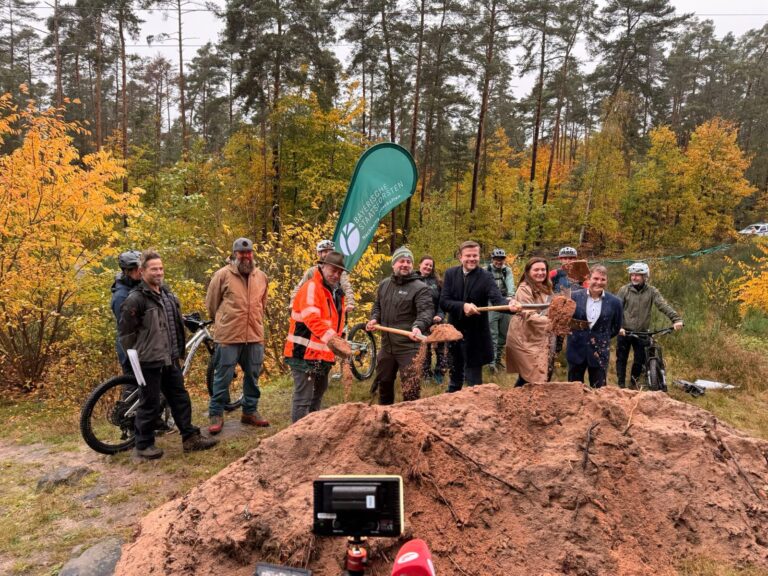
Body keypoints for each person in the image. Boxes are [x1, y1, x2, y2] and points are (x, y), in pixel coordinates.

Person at [118, 250, 218, 460]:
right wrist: (138, 357)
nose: (159, 272)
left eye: (161, 268)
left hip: (170, 358)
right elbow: (126, 334)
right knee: (150, 403)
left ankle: (190, 438)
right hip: (149, 360)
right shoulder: (136, 299)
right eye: (154, 269)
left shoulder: (167, 294)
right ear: (142, 271)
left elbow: (173, 322)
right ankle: (143, 445)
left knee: (180, 398)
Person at [205, 237, 270, 434]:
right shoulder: (222, 275)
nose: (246, 256)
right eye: (242, 253)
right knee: (222, 378)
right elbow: (211, 305)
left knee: (253, 376)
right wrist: (224, 322)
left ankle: (249, 411)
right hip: (228, 336)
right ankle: (216, 414)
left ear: (252, 254)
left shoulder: (261, 276)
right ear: (235, 254)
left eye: (248, 252)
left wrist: (255, 322)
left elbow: (262, 304)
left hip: (254, 335)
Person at [439, 241, 520, 392]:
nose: (472, 259)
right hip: (454, 333)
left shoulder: (486, 277)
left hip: (476, 335)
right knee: (455, 379)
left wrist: (510, 306)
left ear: (479, 256)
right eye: (468, 255)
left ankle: (476, 404)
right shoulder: (450, 274)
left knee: (474, 383)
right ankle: (452, 402)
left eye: (475, 255)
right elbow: (444, 302)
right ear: (460, 257)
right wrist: (463, 306)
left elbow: (497, 300)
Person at [285, 251, 350, 422]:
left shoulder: (337, 293)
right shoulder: (312, 287)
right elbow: (311, 318)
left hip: (322, 353)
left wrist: (340, 339)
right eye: (333, 270)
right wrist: (334, 340)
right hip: (303, 352)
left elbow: (335, 323)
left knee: (319, 392)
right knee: (303, 398)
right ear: (322, 266)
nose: (336, 275)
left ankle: (313, 428)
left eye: (339, 272)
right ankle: (298, 434)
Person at [366, 247, 433, 404]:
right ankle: (385, 414)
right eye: (401, 261)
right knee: (384, 384)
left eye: (408, 262)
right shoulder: (384, 284)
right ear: (393, 264)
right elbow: (377, 306)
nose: (405, 264)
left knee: (411, 389)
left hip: (409, 347)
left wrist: (418, 326)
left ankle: (410, 416)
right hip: (387, 347)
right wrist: (374, 318)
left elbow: (426, 312)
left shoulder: (420, 287)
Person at [616, 262, 683, 389]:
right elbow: (616, 309)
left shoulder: (652, 291)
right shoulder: (624, 290)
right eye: (632, 275)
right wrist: (618, 326)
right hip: (624, 331)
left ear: (645, 276)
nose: (634, 277)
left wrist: (676, 319)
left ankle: (633, 384)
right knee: (621, 359)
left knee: (639, 360)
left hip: (642, 332)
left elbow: (663, 305)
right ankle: (620, 385)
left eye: (638, 275)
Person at [566, 265, 623, 388]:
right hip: (576, 350)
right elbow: (565, 320)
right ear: (588, 279)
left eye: (603, 279)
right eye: (596, 278)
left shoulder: (615, 302)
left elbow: (615, 327)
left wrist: (601, 337)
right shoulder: (573, 297)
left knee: (599, 390)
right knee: (573, 389)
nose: (599, 282)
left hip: (599, 352)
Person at [505, 257, 554, 386]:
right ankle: (516, 397)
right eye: (536, 270)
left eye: (543, 269)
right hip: (523, 336)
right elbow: (529, 315)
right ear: (528, 272)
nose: (540, 273)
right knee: (532, 374)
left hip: (537, 334)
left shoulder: (546, 287)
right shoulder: (524, 289)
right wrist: (553, 323)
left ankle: (522, 396)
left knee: (536, 373)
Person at [290, 239, 355, 312]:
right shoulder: (312, 271)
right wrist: (293, 303)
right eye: (325, 251)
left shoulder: (339, 271)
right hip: (316, 306)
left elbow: (346, 286)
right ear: (318, 253)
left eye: (330, 251)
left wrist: (350, 302)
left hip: (334, 306)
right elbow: (299, 288)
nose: (328, 254)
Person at [111, 250, 142, 374]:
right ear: (127, 271)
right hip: (131, 351)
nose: (140, 271)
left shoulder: (138, 285)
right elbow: (128, 329)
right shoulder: (121, 296)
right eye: (136, 269)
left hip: (144, 348)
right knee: (133, 382)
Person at [418, 255, 446, 384]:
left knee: (440, 348)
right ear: (420, 264)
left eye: (431, 265)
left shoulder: (437, 282)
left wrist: (440, 314)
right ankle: (426, 374)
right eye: (426, 264)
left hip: (436, 319)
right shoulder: (413, 280)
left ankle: (439, 372)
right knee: (425, 348)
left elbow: (442, 301)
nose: (428, 267)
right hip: (420, 320)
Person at [486, 248, 515, 372]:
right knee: (493, 333)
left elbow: (510, 283)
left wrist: (511, 295)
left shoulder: (506, 270)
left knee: (504, 333)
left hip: (504, 301)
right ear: (492, 259)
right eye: (496, 259)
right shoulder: (486, 270)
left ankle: (497, 360)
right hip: (491, 303)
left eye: (501, 259)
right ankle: (491, 363)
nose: (499, 261)